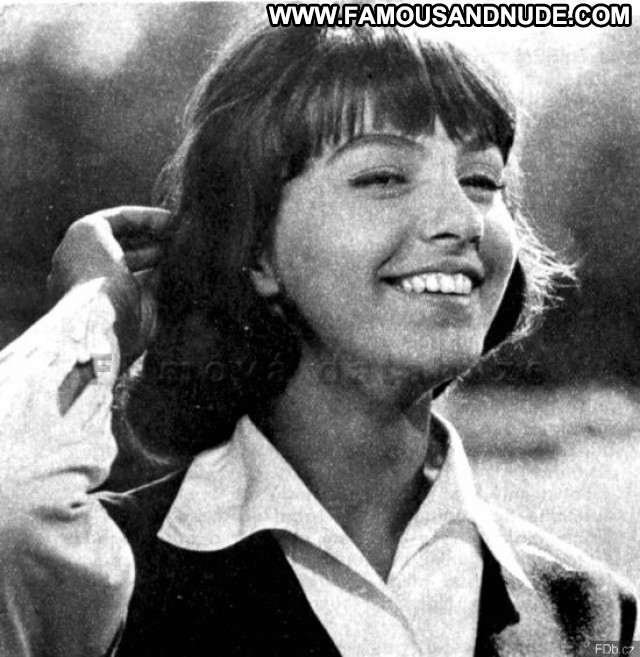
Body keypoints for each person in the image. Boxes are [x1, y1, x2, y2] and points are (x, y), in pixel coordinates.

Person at [0, 22, 636, 657]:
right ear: (255, 249)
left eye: (482, 181)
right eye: (384, 176)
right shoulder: (101, 577)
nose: (463, 219)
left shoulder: (595, 612)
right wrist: (93, 309)